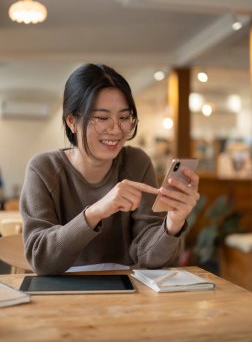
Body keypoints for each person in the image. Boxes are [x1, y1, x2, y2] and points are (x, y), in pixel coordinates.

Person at [20, 63, 200, 275]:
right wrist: (96, 211)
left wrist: (173, 223)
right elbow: (41, 260)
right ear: (72, 121)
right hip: (60, 294)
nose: (116, 129)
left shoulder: (136, 162)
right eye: (103, 118)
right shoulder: (43, 169)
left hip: (125, 294)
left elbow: (148, 259)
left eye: (124, 117)